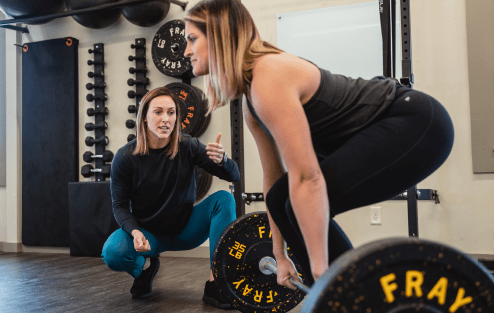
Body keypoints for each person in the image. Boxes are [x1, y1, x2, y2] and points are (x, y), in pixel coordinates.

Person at [184, 0, 454, 290]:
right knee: (281, 199)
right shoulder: (250, 99)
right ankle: (349, 293)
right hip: (397, 124)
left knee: (298, 207)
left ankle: (347, 293)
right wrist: (279, 254)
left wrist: (320, 272)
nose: (186, 50)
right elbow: (273, 181)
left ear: (220, 34)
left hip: (415, 123)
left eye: (192, 39)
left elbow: (307, 178)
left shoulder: (268, 76)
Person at [101, 86, 240, 309]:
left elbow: (233, 175)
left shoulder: (189, 146)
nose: (166, 119)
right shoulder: (125, 157)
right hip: (149, 236)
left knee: (224, 199)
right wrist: (136, 232)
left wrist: (223, 160)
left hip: (186, 229)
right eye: (158, 112)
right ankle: (144, 271)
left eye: (171, 112)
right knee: (113, 253)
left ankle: (217, 283)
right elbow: (119, 205)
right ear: (144, 117)